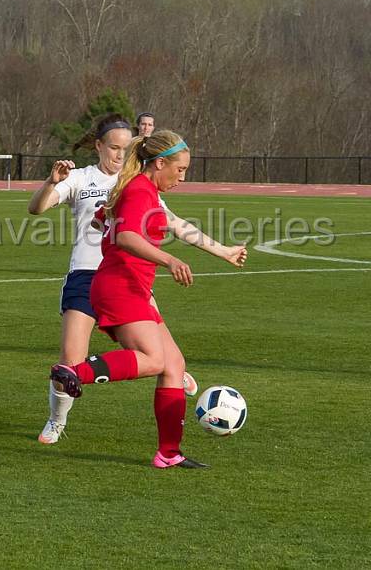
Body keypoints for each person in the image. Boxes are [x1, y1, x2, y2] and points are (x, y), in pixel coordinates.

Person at [28, 117, 245, 445]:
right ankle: (57, 420)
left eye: (124, 147)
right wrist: (50, 183)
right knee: (72, 360)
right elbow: (37, 208)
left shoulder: (137, 184)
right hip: (87, 277)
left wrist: (223, 251)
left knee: (163, 358)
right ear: (99, 146)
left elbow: (176, 224)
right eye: (112, 146)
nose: (118, 153)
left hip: (129, 279)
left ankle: (169, 385)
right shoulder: (83, 178)